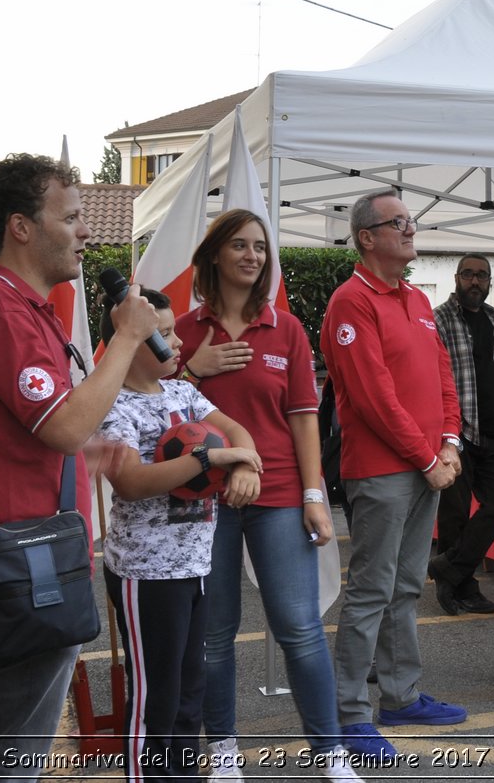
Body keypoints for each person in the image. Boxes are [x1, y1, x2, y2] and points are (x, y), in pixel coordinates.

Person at [0, 154, 161, 781]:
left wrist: (84, 455)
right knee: (8, 761)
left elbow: (24, 432)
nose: (87, 230)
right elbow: (62, 425)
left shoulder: (17, 307)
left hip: (28, 553)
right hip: (22, 561)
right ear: (21, 227)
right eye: (72, 216)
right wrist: (127, 339)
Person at [173, 208, 354, 781]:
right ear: (214, 257)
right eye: (239, 246)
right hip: (202, 497)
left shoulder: (287, 329)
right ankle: (223, 751)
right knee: (214, 634)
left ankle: (330, 753)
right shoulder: (180, 331)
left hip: (277, 491)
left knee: (299, 626)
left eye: (259, 247)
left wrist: (314, 494)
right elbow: (159, 413)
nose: (252, 256)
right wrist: (194, 369)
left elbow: (304, 419)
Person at [319, 192, 467, 761]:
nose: (410, 229)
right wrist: (429, 460)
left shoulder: (418, 301)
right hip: (385, 472)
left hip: (427, 465)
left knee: (406, 587)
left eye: (411, 221)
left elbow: (442, 375)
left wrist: (449, 442)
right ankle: (350, 713)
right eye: (398, 222)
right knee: (372, 592)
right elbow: (373, 398)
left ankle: (401, 695)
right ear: (366, 237)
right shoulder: (350, 302)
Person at [96, 288, 264, 780]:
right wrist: (209, 460)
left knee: (191, 692)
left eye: (174, 331)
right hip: (145, 574)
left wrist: (245, 469)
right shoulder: (110, 405)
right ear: (127, 342)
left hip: (195, 565)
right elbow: (130, 480)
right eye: (163, 334)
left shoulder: (184, 393)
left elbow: (238, 433)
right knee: (156, 698)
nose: (178, 345)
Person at [428, 253, 494, 615]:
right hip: (456, 432)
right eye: (469, 274)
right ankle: (463, 588)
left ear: (490, 282)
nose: (475, 281)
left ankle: (448, 568)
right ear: (457, 278)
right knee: (455, 514)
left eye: (482, 276)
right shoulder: (438, 319)